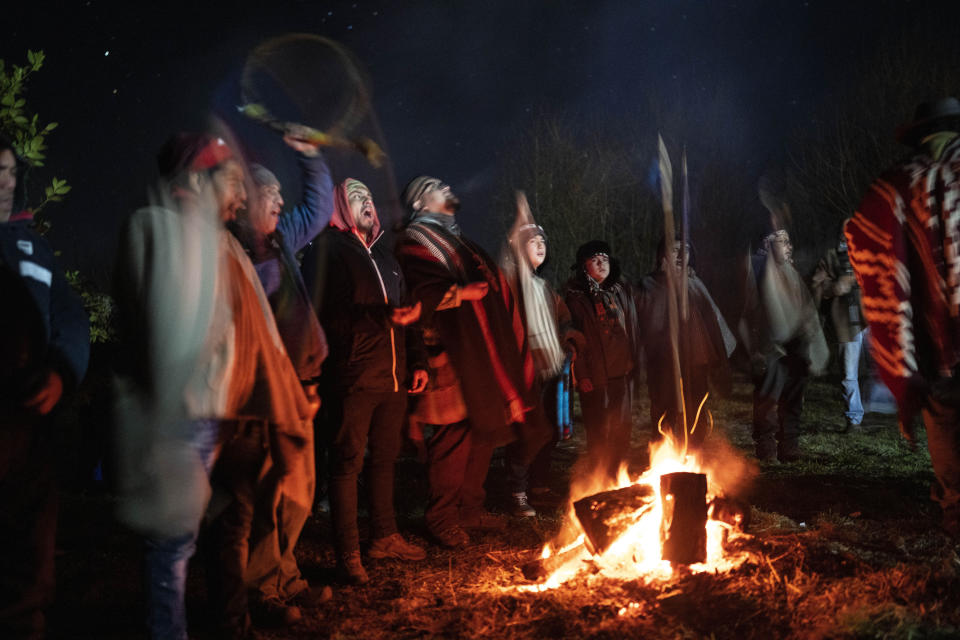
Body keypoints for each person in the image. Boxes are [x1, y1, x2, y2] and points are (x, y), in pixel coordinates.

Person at [113, 132, 315, 640]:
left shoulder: (226, 242)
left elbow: (259, 332)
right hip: (185, 415)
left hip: (235, 414)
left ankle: (231, 623)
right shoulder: (154, 227)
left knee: (233, 527)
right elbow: (158, 325)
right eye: (230, 181)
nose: (242, 196)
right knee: (173, 540)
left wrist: (284, 394)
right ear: (195, 179)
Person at [396, 175, 537, 548]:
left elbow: (492, 287)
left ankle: (469, 510)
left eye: (446, 184)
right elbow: (418, 291)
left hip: (478, 352)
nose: (446, 188)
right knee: (453, 437)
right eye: (434, 186)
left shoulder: (459, 242)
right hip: (448, 352)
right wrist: (458, 292)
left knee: (482, 431)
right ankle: (441, 517)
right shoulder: (416, 241)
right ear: (418, 204)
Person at [302, 178, 427, 585]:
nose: (367, 202)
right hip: (353, 376)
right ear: (339, 207)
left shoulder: (388, 259)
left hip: (393, 377)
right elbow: (323, 318)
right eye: (356, 197)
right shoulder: (327, 253)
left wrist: (419, 360)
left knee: (385, 459)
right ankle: (349, 552)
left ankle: (385, 536)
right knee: (345, 464)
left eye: (369, 195)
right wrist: (378, 318)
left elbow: (407, 313)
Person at [228, 132, 332, 622]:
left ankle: (285, 577)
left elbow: (318, 207)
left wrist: (309, 157)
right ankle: (261, 589)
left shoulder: (281, 241)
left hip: (301, 388)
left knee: (299, 490)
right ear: (245, 201)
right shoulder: (234, 253)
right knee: (269, 489)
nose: (281, 201)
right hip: (265, 392)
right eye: (271, 194)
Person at [845, 97, 960, 537]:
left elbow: (874, 263)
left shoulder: (895, 187)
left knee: (949, 436)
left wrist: (902, 372)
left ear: (921, 136)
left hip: (939, 355)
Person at [0, 136, 90, 639]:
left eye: (11, 172)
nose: (5, 183)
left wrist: (62, 371)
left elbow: (70, 316)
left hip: (31, 425)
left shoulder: (33, 244)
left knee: (29, 559)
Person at [500, 196, 584, 517]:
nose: (539, 246)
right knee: (528, 430)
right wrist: (520, 223)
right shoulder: (514, 282)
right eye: (532, 241)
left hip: (552, 369)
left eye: (542, 242)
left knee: (548, 430)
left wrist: (569, 340)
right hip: (526, 369)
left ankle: (539, 485)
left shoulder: (544, 287)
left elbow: (564, 320)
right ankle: (516, 491)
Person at [635, 237, 735, 450]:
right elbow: (643, 321)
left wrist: (719, 356)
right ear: (662, 255)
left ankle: (693, 455)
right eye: (674, 250)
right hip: (662, 361)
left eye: (686, 251)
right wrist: (666, 282)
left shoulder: (695, 283)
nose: (681, 256)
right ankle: (664, 455)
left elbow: (713, 320)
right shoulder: (649, 284)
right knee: (664, 409)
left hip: (695, 360)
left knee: (696, 406)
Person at [739, 228, 827, 463]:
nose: (789, 246)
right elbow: (747, 312)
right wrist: (754, 349)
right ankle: (766, 448)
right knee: (768, 397)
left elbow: (803, 306)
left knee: (793, 397)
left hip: (795, 347)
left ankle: (790, 445)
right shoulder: (757, 269)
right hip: (770, 347)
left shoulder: (790, 271)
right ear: (767, 244)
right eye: (782, 241)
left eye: (789, 241)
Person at [565, 240, 641, 480]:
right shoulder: (575, 297)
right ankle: (599, 476)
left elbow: (633, 326)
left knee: (621, 427)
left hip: (622, 371)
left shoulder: (621, 290)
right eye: (595, 260)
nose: (601, 264)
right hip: (595, 373)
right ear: (583, 266)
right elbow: (573, 338)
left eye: (605, 259)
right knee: (598, 429)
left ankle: (617, 473)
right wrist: (582, 374)